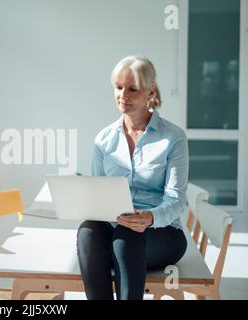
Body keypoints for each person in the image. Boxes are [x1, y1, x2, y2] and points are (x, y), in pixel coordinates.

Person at [76, 55, 188, 300]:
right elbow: (99, 194)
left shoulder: (173, 138)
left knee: (127, 237)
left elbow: (178, 200)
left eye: (132, 89)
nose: (122, 95)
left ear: (150, 92)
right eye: (118, 87)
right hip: (116, 230)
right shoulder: (104, 139)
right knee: (88, 231)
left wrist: (149, 217)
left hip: (162, 232)